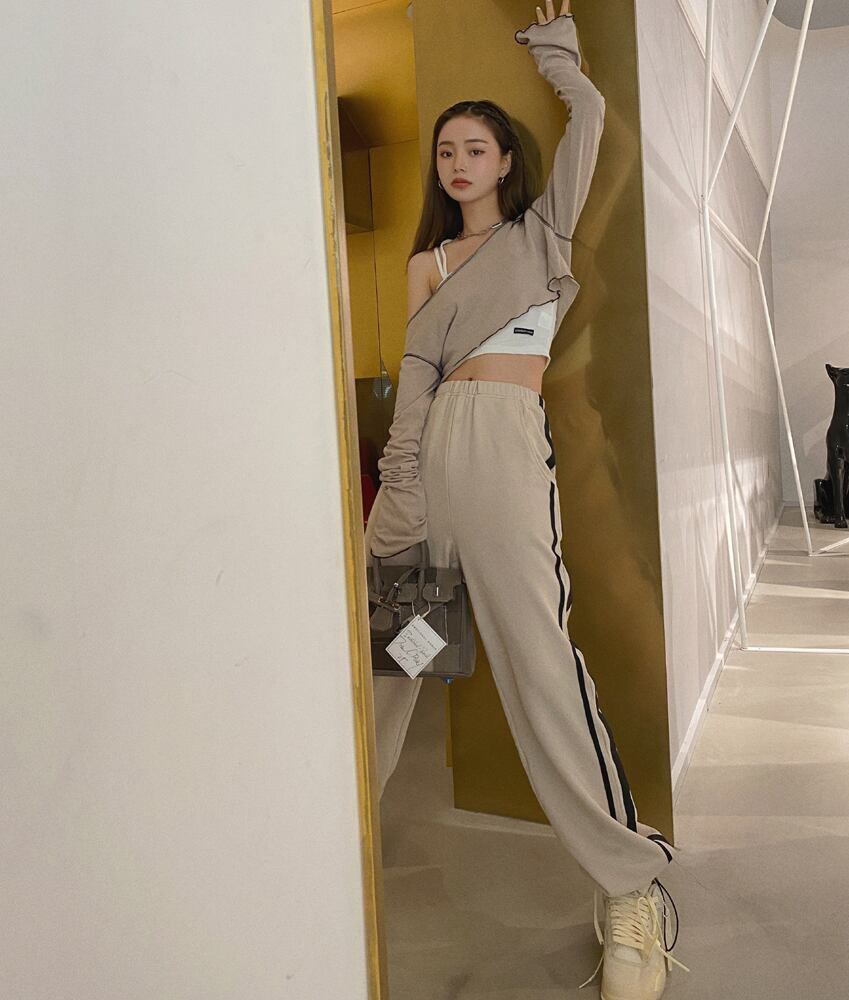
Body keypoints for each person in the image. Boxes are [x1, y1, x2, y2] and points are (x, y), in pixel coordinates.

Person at [364, 3, 690, 997]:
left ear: (506, 161)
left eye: (475, 149)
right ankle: (329, 845)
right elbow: (416, 380)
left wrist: (558, 59)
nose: (457, 163)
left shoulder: (541, 237)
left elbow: (592, 122)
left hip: (504, 461)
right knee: (396, 662)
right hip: (428, 469)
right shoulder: (427, 264)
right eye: (446, 152)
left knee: (539, 663)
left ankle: (631, 885)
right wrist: (401, 491)